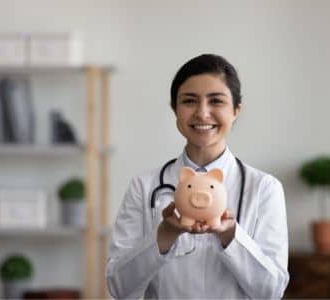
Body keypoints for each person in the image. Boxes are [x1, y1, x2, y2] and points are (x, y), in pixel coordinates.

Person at [106, 54, 289, 299]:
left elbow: (271, 292)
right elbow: (119, 289)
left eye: (216, 101)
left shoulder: (264, 188)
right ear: (175, 109)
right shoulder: (144, 187)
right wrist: (164, 236)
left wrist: (230, 236)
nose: (202, 113)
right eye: (189, 101)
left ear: (236, 110)